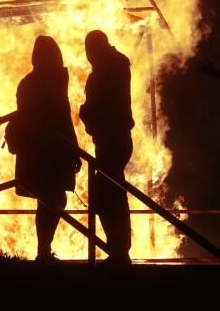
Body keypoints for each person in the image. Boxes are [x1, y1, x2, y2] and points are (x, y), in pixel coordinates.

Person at [7, 35, 80, 261]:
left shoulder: (28, 82)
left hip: (35, 152)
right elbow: (61, 118)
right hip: (51, 152)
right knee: (54, 198)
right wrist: (73, 150)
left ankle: (43, 251)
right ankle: (43, 251)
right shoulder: (52, 81)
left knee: (48, 198)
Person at [79, 30, 133, 264]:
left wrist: (86, 113)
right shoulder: (114, 65)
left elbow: (102, 105)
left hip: (112, 139)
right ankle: (119, 249)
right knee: (112, 193)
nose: (89, 57)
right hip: (112, 139)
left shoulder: (108, 69)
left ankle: (119, 251)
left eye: (89, 51)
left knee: (108, 195)